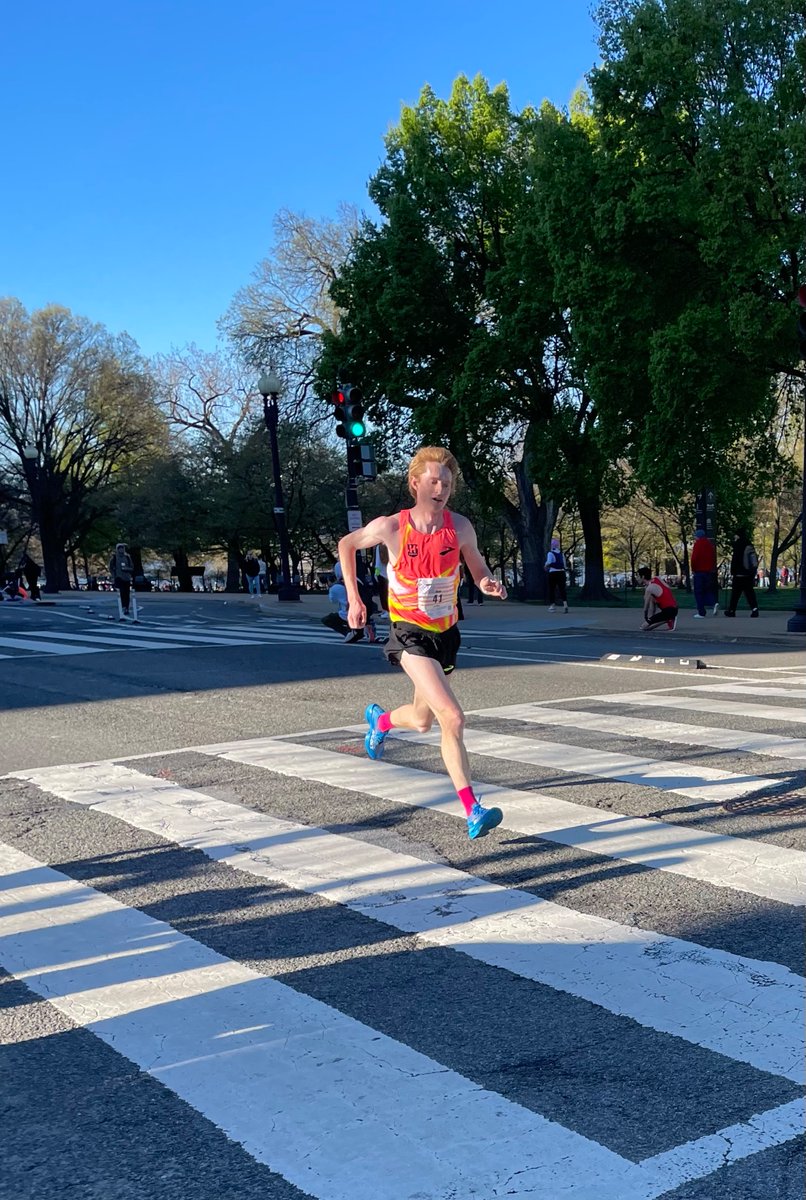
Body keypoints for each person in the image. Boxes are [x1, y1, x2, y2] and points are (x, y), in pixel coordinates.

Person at [338, 445, 507, 840]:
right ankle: (472, 810)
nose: (440, 488)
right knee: (453, 717)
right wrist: (354, 597)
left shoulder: (460, 527)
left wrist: (485, 581)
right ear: (415, 483)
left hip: (445, 634)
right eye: (433, 481)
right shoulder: (392, 527)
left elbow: (476, 562)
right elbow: (347, 544)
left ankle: (379, 722)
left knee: (422, 720)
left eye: (446, 483)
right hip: (409, 633)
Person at [725, 529, 759, 617]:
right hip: (748, 573)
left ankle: (732, 610)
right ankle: (754, 609)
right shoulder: (749, 544)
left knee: (735, 594)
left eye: (735, 535)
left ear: (738, 535)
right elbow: (753, 560)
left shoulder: (737, 545)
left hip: (738, 573)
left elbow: (735, 560)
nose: (734, 537)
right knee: (749, 592)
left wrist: (732, 571)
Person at [638, 566, 678, 630]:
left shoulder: (649, 589)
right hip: (674, 607)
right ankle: (654, 619)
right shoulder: (657, 578)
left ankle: (667, 620)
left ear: (642, 577)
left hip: (669, 611)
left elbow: (646, 607)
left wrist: (645, 616)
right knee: (652, 598)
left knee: (643, 627)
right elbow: (667, 587)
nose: (637, 578)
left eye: (638, 576)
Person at [690, 530, 718, 618]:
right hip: (708, 571)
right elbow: (713, 557)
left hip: (699, 571)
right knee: (707, 589)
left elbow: (694, 558)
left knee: (698, 591)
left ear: (697, 536)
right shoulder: (709, 545)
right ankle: (713, 603)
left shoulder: (697, 544)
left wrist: (693, 568)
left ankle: (701, 611)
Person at [108, 543, 134, 617]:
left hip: (127, 578)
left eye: (122, 548)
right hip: (119, 577)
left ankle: (127, 607)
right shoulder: (114, 558)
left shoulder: (127, 557)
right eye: (120, 548)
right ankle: (123, 607)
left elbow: (132, 567)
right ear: (117, 549)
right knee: (121, 593)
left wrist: (127, 569)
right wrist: (114, 575)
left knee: (127, 594)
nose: (121, 550)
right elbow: (110, 567)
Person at [545, 537, 568, 613]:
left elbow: (549, 562)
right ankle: (565, 604)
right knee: (562, 589)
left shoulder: (550, 553)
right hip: (561, 572)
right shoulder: (562, 554)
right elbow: (564, 564)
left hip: (553, 573)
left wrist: (546, 566)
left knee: (552, 589)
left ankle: (552, 606)